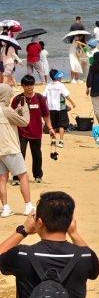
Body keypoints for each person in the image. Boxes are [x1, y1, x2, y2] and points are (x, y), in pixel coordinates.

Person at [0, 86, 33, 221]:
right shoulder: (7, 110)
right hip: (11, 148)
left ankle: (6, 208)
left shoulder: (7, 111)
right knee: (23, 176)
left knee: (2, 179)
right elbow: (25, 122)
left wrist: (16, 111)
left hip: (0, 150)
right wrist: (24, 110)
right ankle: (28, 206)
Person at [13, 75, 48, 184]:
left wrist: (50, 127)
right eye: (27, 85)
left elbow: (46, 114)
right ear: (22, 86)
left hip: (36, 132)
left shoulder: (39, 98)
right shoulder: (17, 99)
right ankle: (16, 177)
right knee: (19, 155)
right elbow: (11, 115)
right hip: (21, 132)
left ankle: (38, 175)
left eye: (31, 85)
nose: (29, 87)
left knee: (37, 154)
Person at [44, 71, 73, 159]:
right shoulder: (60, 85)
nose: (61, 78)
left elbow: (44, 96)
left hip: (51, 108)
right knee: (62, 125)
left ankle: (53, 140)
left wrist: (45, 105)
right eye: (59, 77)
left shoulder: (48, 86)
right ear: (57, 77)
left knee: (52, 125)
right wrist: (73, 103)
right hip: (60, 107)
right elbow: (66, 95)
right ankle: (60, 141)